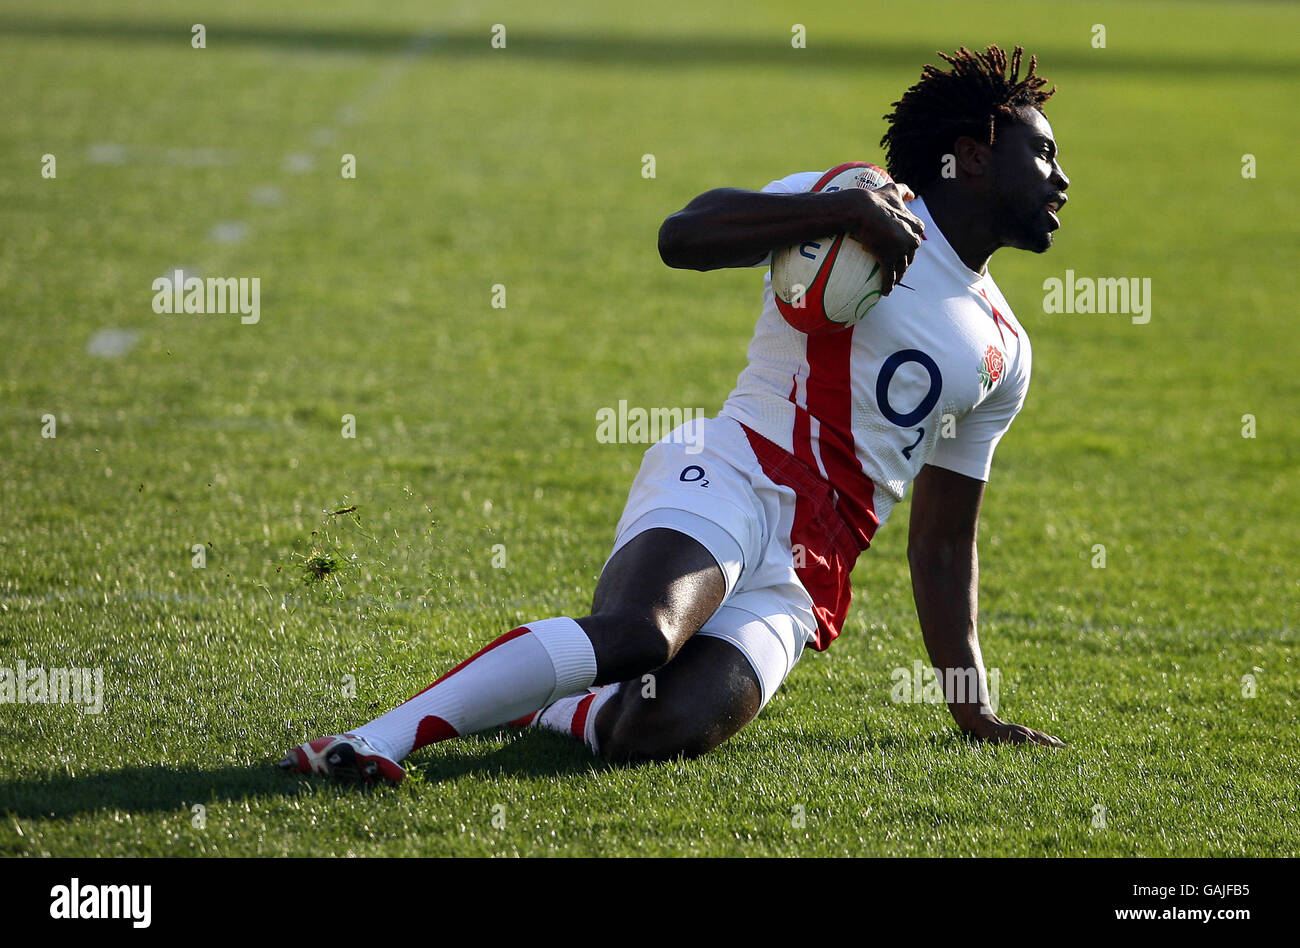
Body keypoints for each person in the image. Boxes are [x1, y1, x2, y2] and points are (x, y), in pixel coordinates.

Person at [280, 45, 1069, 784]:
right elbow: (683, 236)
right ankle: (374, 741)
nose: (1060, 179)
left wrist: (973, 705)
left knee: (654, 731)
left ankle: (545, 702)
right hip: (736, 467)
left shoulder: (1007, 349)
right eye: (1042, 154)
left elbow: (942, 539)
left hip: (813, 565)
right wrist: (838, 211)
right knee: (642, 635)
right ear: (970, 156)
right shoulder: (858, 198)